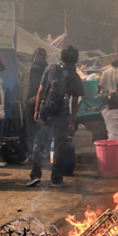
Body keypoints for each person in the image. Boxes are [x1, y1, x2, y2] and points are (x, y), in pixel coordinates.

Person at [28, 46, 84, 187]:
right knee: (59, 147)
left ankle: (35, 175)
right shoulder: (75, 77)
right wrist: (72, 122)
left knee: (39, 144)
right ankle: (56, 179)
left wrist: (37, 110)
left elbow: (40, 91)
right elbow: (75, 102)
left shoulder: (50, 69)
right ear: (75, 60)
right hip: (62, 115)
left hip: (46, 111)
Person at [24, 48, 48, 158]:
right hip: (29, 104)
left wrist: (35, 99)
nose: (38, 57)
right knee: (30, 130)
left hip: (41, 102)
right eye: (37, 54)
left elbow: (47, 88)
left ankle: (41, 153)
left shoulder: (47, 70)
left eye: (41, 55)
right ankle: (30, 153)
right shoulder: (32, 69)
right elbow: (29, 85)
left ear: (45, 57)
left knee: (42, 130)